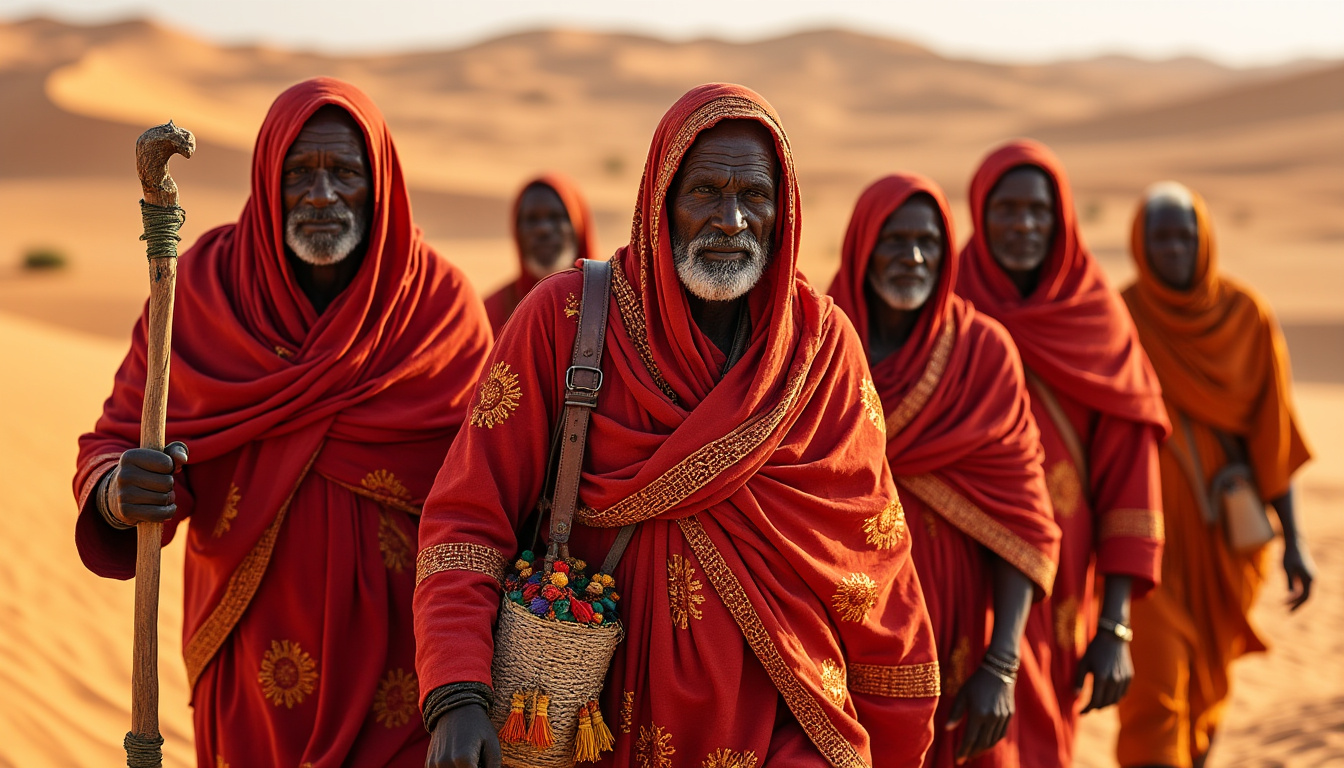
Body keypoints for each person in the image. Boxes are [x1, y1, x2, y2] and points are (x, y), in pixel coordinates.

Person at [415, 83, 940, 768]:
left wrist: (896, 723)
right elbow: (468, 514)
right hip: (596, 725)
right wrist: (457, 693)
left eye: (755, 196)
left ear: (784, 211)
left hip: (785, 720)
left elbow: (872, 554)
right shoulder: (565, 321)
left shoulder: (821, 349)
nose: (731, 219)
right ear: (659, 201)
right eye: (704, 192)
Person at [72, 78, 492, 767]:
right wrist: (119, 492)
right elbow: (117, 438)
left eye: (345, 173)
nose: (321, 195)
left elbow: (493, 490)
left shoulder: (439, 305)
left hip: (408, 674)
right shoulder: (202, 290)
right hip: (250, 666)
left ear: (380, 186)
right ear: (268, 179)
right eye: (299, 173)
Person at [828, 173, 1060, 767]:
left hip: (957, 622)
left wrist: (1001, 664)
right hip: (840, 621)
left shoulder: (983, 352)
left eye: (928, 242)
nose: (913, 257)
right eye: (894, 240)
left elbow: (1025, 519)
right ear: (862, 246)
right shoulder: (820, 342)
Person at [955, 140, 1170, 768]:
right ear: (980, 212)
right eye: (1007, 209)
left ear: (1063, 219)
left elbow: (1131, 475)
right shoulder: (947, 297)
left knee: (1040, 731)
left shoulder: (1099, 319)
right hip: (953, 562)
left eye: (1039, 211)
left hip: (1062, 584)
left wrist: (1117, 626)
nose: (1023, 224)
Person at [1116, 182, 1315, 768]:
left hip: (1226, 540)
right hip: (1145, 540)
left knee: (1208, 681)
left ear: (1204, 238)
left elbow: (1274, 435)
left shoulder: (1246, 316)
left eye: (1185, 236)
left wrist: (1295, 541)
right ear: (1140, 243)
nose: (1173, 248)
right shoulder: (1121, 317)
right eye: (1161, 237)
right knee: (1155, 687)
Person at [483, 174, 598, 334]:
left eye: (555, 217)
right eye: (531, 219)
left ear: (578, 225)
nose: (543, 229)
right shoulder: (490, 315)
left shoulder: (617, 303)